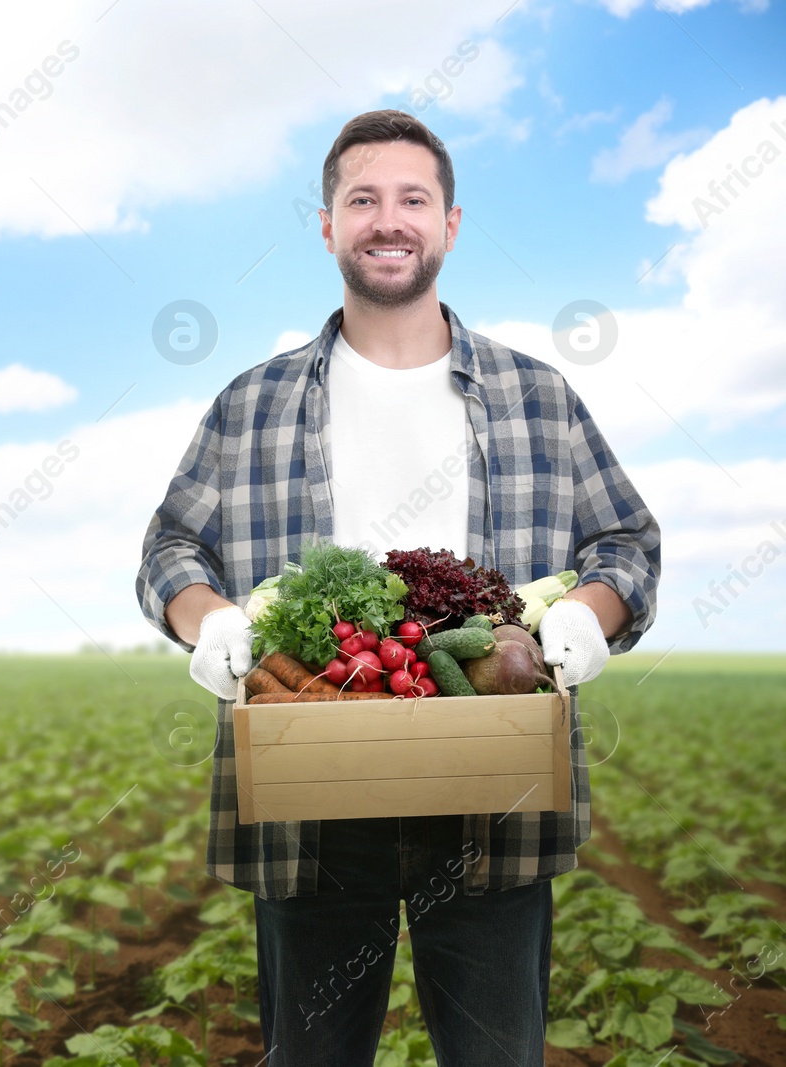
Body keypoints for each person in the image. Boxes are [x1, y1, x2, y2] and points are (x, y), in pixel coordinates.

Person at [134, 109, 661, 1066]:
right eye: (363, 199)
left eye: (413, 199)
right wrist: (204, 618)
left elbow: (627, 539)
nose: (389, 220)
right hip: (314, 804)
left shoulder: (538, 396)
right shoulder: (251, 403)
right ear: (328, 224)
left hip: (491, 795)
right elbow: (171, 546)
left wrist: (591, 609)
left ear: (450, 224)